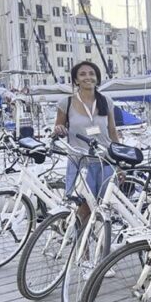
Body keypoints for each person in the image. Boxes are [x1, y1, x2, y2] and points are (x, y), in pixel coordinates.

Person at [52, 60, 120, 222]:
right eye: (82, 74)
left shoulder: (106, 101)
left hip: (106, 162)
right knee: (83, 210)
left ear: (97, 78)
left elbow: (112, 132)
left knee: (105, 210)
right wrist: (59, 129)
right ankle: (83, 247)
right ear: (76, 80)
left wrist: (119, 163)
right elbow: (59, 127)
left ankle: (102, 245)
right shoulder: (66, 103)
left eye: (91, 74)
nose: (87, 77)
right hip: (80, 162)